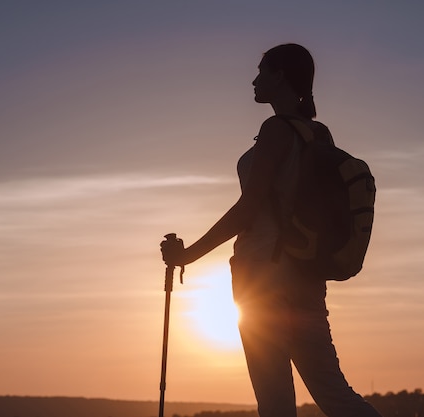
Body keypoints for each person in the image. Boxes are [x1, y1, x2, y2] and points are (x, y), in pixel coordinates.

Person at [161, 43, 382, 417]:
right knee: (335, 395)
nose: (254, 79)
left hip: (262, 277)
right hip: (306, 276)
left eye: (261, 71)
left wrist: (187, 256)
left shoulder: (275, 130)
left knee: (275, 402)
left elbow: (248, 209)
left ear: (280, 76)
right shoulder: (319, 133)